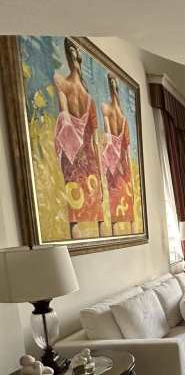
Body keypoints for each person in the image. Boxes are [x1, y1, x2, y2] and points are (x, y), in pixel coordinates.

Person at [53, 38, 106, 239]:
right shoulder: (63, 83)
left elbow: (94, 140)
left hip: (83, 156)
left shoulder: (87, 98)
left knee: (90, 208)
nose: (75, 58)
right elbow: (64, 117)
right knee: (76, 209)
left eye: (76, 54)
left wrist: (100, 173)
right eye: (72, 54)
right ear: (69, 56)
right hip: (77, 154)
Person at [101, 73, 134, 234]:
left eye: (115, 83)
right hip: (116, 164)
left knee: (126, 206)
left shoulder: (123, 118)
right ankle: (115, 231)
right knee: (115, 202)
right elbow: (109, 137)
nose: (114, 86)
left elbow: (125, 146)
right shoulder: (106, 109)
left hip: (121, 166)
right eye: (112, 82)